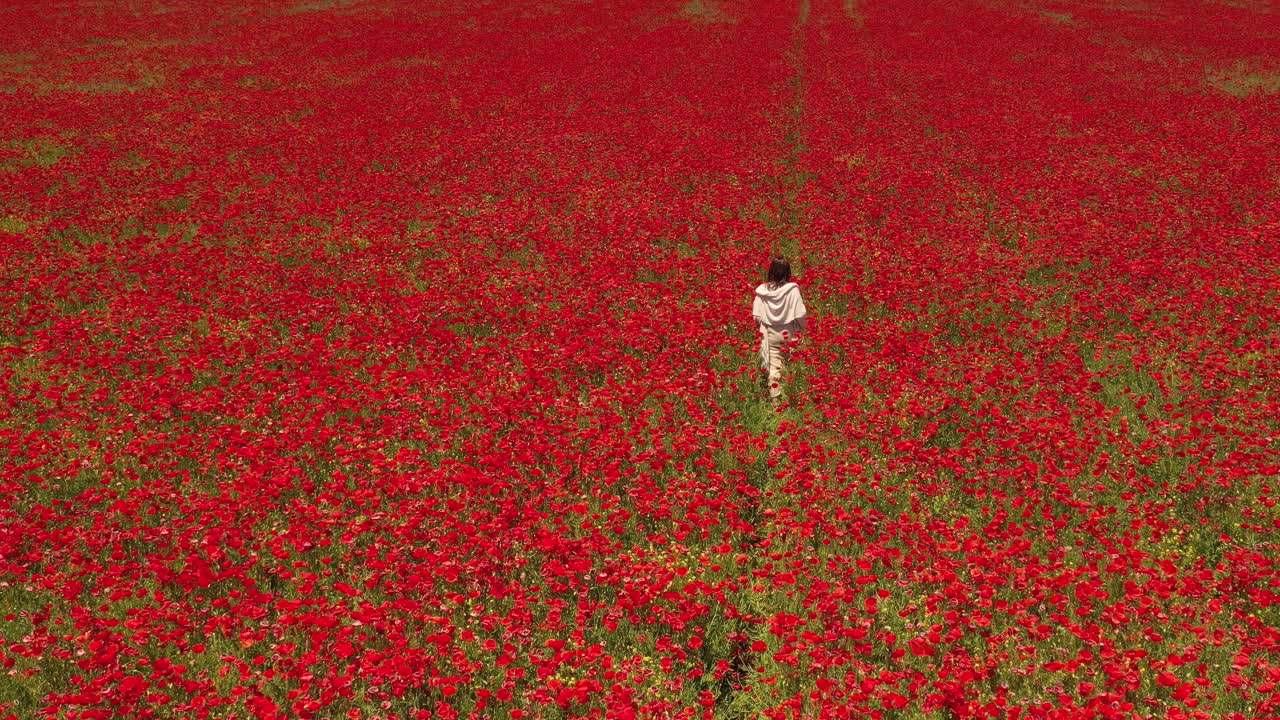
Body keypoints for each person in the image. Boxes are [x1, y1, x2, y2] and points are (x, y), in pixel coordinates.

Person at [752, 256, 807, 403]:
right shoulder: (792, 290)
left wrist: (763, 326)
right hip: (788, 332)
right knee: (791, 364)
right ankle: (793, 396)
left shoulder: (762, 291)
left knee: (774, 367)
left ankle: (776, 401)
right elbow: (800, 314)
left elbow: (756, 316)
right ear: (787, 272)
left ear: (771, 271)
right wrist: (801, 328)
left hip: (770, 334)